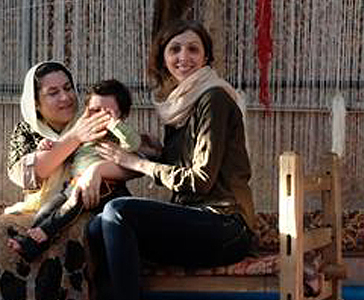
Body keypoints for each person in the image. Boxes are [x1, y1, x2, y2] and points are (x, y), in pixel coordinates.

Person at [88, 20, 257, 300]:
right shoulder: (178, 106)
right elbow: (184, 166)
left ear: (206, 57)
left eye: (193, 49)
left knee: (118, 211)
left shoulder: (212, 98)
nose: (183, 57)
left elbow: (200, 180)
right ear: (163, 58)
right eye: (174, 49)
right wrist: (158, 153)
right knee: (97, 227)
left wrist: (134, 162)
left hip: (225, 225)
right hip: (195, 222)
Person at [0, 61, 132, 300]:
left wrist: (96, 171)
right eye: (53, 93)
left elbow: (131, 162)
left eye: (68, 88)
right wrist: (74, 139)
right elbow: (26, 175)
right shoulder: (27, 130)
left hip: (87, 205)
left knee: (72, 233)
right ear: (36, 102)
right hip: (41, 208)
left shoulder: (94, 119)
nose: (65, 97)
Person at [8, 79, 141, 262]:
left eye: (107, 113)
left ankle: (45, 231)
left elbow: (133, 144)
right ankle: (30, 245)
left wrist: (114, 125)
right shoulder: (84, 133)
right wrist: (47, 145)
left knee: (71, 205)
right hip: (73, 182)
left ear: (122, 116)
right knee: (47, 210)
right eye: (94, 111)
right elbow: (67, 151)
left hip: (105, 186)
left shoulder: (115, 137)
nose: (99, 117)